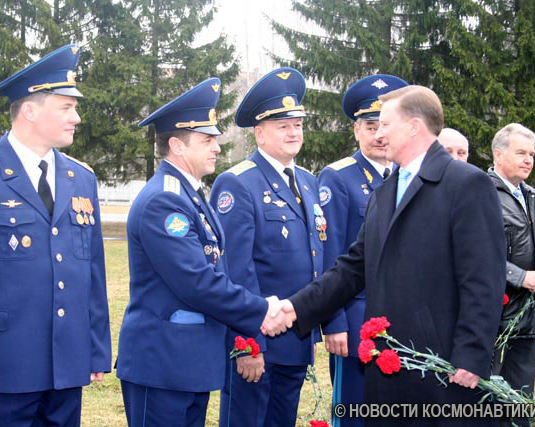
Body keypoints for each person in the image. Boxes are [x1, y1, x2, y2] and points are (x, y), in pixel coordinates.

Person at [273, 85, 506, 426]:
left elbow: (483, 279)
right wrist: (295, 308)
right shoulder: (386, 191)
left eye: (385, 124)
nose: (379, 134)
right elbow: (353, 268)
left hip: (442, 367)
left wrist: (472, 355)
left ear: (413, 126)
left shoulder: (465, 184)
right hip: (387, 364)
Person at [0, 44, 112, 426]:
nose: (76, 117)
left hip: (66, 369)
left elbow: (92, 272)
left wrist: (95, 350)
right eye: (66, 107)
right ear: (29, 110)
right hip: (2, 370)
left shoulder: (81, 178)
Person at [115, 77, 288, 427]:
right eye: (207, 140)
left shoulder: (188, 195)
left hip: (188, 362)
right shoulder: (164, 200)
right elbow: (196, 281)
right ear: (177, 146)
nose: (217, 148)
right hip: (162, 365)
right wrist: (262, 309)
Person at [210, 67, 323, 427]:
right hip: (258, 343)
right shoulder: (238, 183)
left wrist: (311, 327)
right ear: (259, 133)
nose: (293, 133)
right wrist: (246, 343)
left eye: (298, 125)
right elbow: (235, 272)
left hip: (295, 340)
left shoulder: (307, 182)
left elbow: (313, 257)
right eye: (282, 126)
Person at [318, 74, 408, 427]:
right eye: (371, 127)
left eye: (385, 126)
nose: (379, 135)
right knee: (355, 410)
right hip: (356, 315)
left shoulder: (407, 176)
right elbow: (330, 254)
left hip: (402, 315)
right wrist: (334, 321)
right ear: (356, 130)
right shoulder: (338, 178)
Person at [488, 123, 535, 426]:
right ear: (498, 154)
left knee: (520, 401)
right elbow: (476, 251)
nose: (528, 160)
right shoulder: (482, 193)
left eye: (531, 154)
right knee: (487, 398)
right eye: (521, 153)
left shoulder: (534, 197)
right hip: (493, 317)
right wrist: (519, 276)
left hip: (527, 318)